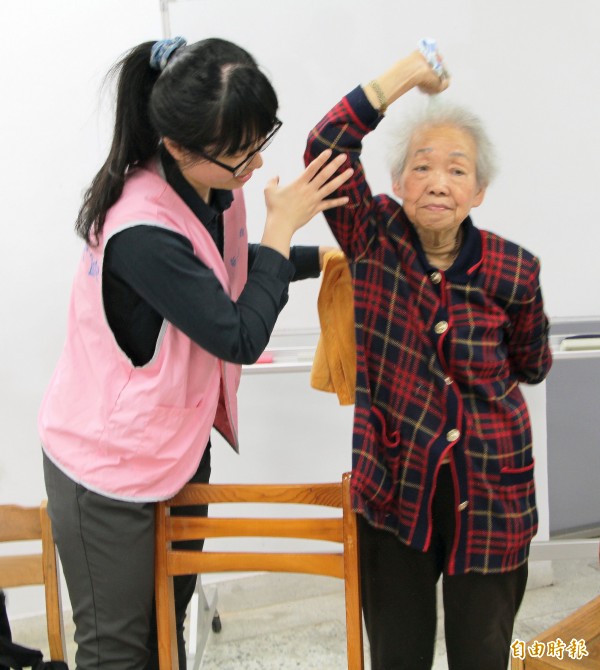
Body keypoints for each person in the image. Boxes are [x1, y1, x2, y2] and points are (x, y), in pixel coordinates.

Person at [38, 36, 351, 669]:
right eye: (241, 156)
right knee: (118, 652)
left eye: (260, 143)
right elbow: (236, 331)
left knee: (166, 627)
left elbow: (229, 275)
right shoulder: (142, 229)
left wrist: (323, 260)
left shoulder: (212, 191)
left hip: (173, 447)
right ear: (178, 146)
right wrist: (283, 226)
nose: (256, 168)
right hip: (106, 470)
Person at [305, 47, 553, 670]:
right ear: (397, 183)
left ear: (479, 189)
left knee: (484, 653)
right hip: (393, 488)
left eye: (456, 169)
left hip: (493, 491)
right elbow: (325, 143)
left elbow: (533, 363)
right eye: (422, 167)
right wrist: (405, 76)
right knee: (399, 655)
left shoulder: (514, 268)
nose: (438, 181)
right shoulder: (374, 235)